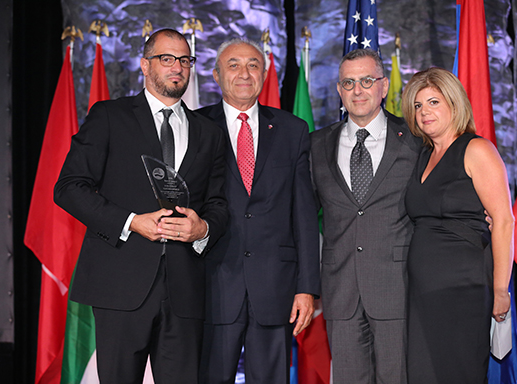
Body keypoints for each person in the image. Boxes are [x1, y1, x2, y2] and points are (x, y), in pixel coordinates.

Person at [54, 29, 228, 383]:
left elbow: (219, 203)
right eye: (167, 59)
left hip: (186, 290)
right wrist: (131, 221)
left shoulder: (209, 132)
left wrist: (203, 228)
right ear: (145, 65)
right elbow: (69, 188)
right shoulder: (108, 116)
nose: (177, 67)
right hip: (120, 284)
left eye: (184, 60)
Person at [197, 38, 320, 384]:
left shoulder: (292, 130)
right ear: (217, 74)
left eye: (253, 64)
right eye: (233, 65)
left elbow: (305, 215)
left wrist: (306, 287)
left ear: (264, 75)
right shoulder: (196, 127)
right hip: (213, 283)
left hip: (276, 286)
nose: (244, 73)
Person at [309, 48, 421, 384]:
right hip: (339, 292)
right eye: (349, 82)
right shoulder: (316, 145)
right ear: (340, 90)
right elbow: (300, 215)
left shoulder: (415, 141)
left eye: (366, 81)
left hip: (397, 289)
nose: (358, 90)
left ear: (384, 86)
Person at [401, 67, 514, 383]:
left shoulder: (477, 149)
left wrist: (501, 289)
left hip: (462, 290)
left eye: (434, 102)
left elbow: (503, 221)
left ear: (454, 103)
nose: (425, 112)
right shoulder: (424, 155)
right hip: (422, 294)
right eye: (418, 106)